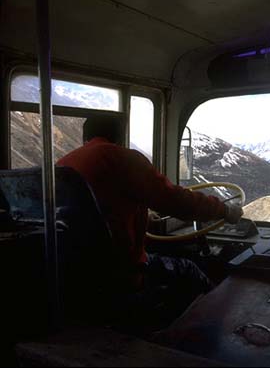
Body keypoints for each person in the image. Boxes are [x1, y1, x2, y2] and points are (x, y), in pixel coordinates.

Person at [57, 117, 243, 328]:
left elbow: (101, 209)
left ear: (85, 137)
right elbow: (176, 201)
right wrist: (224, 210)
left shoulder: (64, 164)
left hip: (82, 272)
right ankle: (220, 328)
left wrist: (142, 217)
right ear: (120, 137)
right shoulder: (120, 158)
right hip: (123, 271)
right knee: (188, 269)